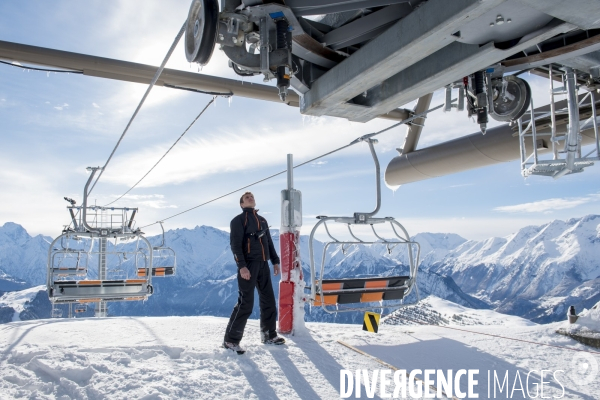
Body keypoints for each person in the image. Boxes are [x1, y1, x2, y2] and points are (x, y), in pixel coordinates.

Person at [223, 191, 285, 353]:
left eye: (252, 197)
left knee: (269, 301)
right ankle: (231, 341)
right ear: (242, 204)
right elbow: (235, 245)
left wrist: (275, 261)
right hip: (248, 265)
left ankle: (269, 335)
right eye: (246, 198)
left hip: (263, 265)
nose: (251, 199)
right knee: (246, 303)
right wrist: (241, 266)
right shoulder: (238, 221)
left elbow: (269, 242)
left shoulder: (263, 221)